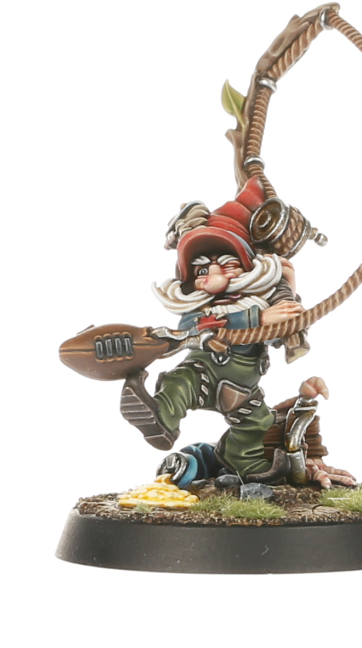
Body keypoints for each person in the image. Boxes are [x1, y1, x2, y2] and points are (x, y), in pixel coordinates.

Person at [119, 177, 304, 483]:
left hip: (243, 384)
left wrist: (288, 290)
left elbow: (278, 338)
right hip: (203, 372)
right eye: (203, 268)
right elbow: (193, 327)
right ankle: (161, 418)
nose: (214, 274)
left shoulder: (262, 299)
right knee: (179, 382)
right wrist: (257, 318)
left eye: (227, 264)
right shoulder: (201, 307)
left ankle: (244, 462)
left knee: (257, 421)